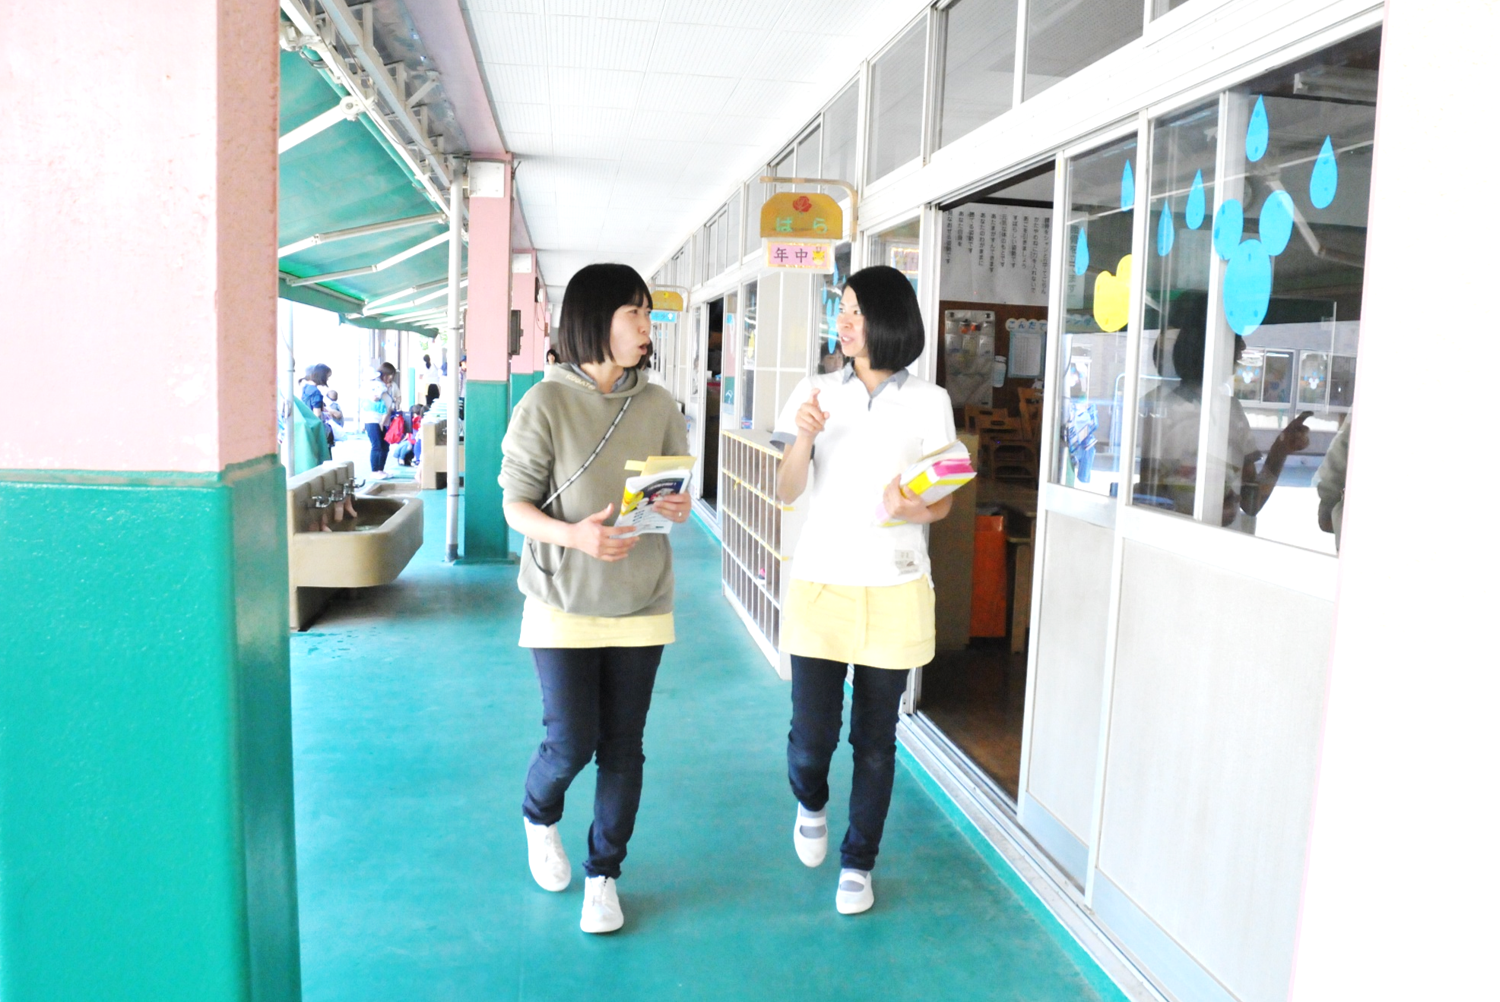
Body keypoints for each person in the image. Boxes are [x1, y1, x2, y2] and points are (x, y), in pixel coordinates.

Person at [499, 263, 691, 935]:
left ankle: (603, 876)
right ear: (593, 320)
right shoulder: (542, 404)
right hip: (562, 597)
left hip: (642, 598)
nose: (647, 326)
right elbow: (515, 506)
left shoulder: (659, 405)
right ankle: (538, 813)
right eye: (634, 313)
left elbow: (671, 497)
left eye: (648, 314)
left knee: (623, 746)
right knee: (571, 740)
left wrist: (675, 507)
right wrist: (575, 536)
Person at [771, 265, 957, 916]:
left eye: (855, 310)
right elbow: (785, 490)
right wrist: (804, 436)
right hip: (822, 583)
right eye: (841, 309)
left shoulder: (930, 401)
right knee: (810, 739)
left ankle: (859, 862)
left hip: (896, 586)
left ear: (889, 318)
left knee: (875, 742)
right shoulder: (816, 391)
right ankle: (812, 802)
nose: (844, 322)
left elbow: (941, 501)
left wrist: (914, 509)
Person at [1136, 294, 1309, 527]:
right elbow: (1151, 494)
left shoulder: (1230, 410)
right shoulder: (1157, 407)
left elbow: (1251, 502)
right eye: (1235, 337)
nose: (1243, 347)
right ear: (1209, 345)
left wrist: (1281, 448)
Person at [360, 361, 399, 479]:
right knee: (376, 445)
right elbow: (365, 402)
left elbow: (394, 400)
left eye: (392, 375)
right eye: (388, 375)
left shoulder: (387, 386)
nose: (390, 378)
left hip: (385, 420)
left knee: (385, 445)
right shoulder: (371, 386)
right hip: (372, 419)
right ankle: (375, 470)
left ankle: (381, 470)